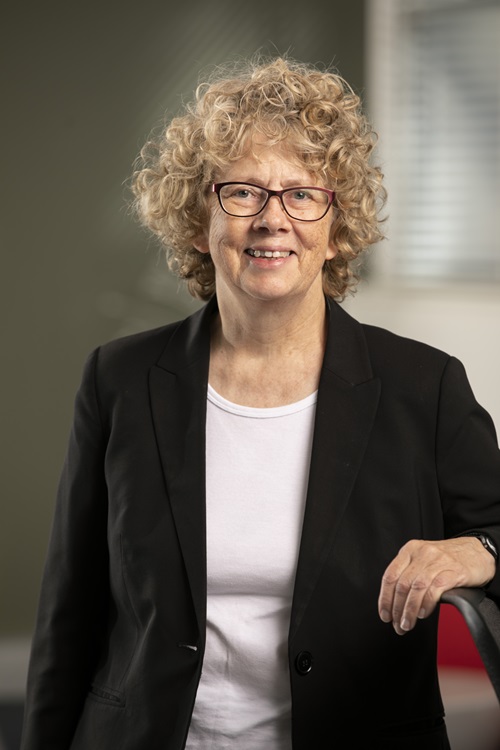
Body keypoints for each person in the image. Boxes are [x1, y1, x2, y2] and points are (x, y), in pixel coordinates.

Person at [20, 56, 500, 750]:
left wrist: (479, 552)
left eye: (303, 194)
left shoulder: (423, 387)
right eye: (242, 193)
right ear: (197, 220)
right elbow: (71, 612)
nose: (274, 219)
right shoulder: (119, 379)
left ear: (336, 226)